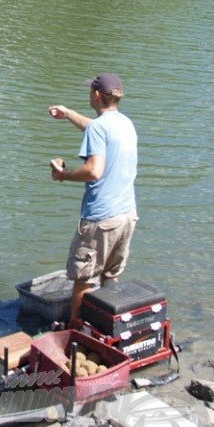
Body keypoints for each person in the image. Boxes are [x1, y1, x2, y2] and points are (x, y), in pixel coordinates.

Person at [48, 72, 138, 328]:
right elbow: (95, 128)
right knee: (111, 276)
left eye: (91, 91)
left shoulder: (100, 128)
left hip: (101, 218)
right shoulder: (124, 123)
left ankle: (75, 332)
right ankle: (108, 326)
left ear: (97, 95)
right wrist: (67, 113)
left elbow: (94, 170)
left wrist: (64, 175)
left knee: (83, 279)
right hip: (127, 215)